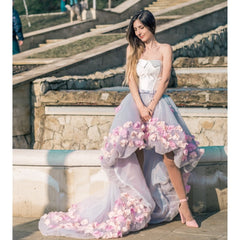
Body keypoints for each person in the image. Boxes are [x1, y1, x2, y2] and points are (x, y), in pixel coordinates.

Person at [39, 10, 204, 238]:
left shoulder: (165, 49)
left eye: (142, 28)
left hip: (159, 103)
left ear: (151, 26)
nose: (139, 33)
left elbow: (164, 79)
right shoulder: (132, 49)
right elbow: (132, 81)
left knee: (169, 156)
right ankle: (142, 204)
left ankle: (183, 206)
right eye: (136, 29)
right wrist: (140, 106)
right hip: (135, 104)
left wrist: (153, 105)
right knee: (134, 153)